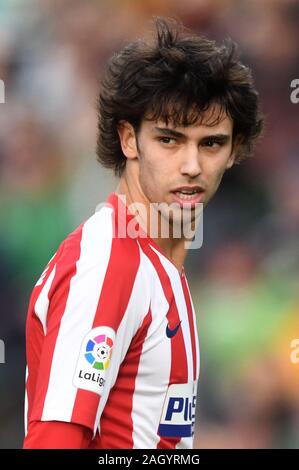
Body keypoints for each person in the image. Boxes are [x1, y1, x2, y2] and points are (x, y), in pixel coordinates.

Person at [23, 17, 263, 449]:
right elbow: (52, 440)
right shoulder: (109, 265)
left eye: (211, 143)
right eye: (169, 140)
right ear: (129, 140)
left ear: (234, 151)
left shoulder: (163, 269)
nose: (192, 165)